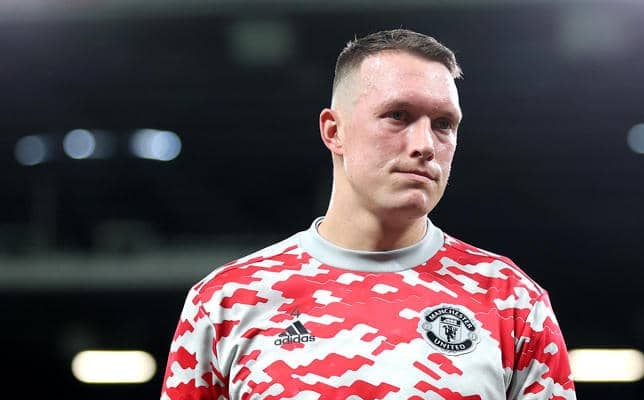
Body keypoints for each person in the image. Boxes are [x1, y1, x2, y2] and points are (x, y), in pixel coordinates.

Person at [160, 28, 576, 400]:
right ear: (334, 131)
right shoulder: (227, 301)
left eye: (443, 123)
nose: (425, 144)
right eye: (398, 115)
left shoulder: (511, 301)